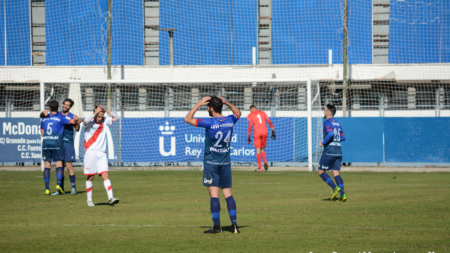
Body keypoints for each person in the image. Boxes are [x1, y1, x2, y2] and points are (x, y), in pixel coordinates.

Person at [184, 96, 241, 234]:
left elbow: (187, 119)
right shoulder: (230, 120)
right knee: (228, 194)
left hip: (211, 164)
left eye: (207, 107)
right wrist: (227, 102)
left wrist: (198, 103)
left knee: (214, 195)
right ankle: (234, 226)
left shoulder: (209, 122)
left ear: (210, 108)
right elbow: (238, 113)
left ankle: (217, 227)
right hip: (225, 163)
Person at [41, 98, 80, 195]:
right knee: (60, 166)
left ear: (70, 107)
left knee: (68, 166)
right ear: (62, 104)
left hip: (68, 143)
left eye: (67, 105)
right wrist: (42, 113)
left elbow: (77, 129)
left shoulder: (71, 116)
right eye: (64, 104)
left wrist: (77, 121)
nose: (65, 106)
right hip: (58, 143)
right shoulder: (58, 115)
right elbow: (44, 116)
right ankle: (60, 188)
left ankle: (73, 188)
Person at [83, 105, 121, 206]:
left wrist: (107, 111)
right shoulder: (89, 122)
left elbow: (118, 117)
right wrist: (95, 113)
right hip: (91, 152)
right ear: (95, 114)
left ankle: (110, 198)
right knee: (90, 177)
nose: (100, 118)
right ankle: (89, 200)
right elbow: (85, 121)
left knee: (106, 175)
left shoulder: (105, 120)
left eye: (101, 116)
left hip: (102, 153)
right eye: (98, 116)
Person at [318, 104, 347, 202]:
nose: (323, 112)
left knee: (321, 172)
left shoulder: (327, 122)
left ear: (327, 112)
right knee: (336, 173)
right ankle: (343, 194)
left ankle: (335, 188)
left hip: (330, 151)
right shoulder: (337, 123)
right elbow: (343, 137)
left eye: (324, 110)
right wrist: (335, 140)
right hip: (338, 151)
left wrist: (323, 143)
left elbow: (330, 133)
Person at [246, 105, 276, 172]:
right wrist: (273, 130)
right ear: (256, 108)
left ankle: (260, 168)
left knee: (258, 150)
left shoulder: (250, 115)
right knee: (262, 148)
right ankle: (265, 161)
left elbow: (250, 125)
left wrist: (248, 135)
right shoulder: (263, 113)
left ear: (251, 109)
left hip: (257, 133)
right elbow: (269, 121)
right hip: (265, 132)